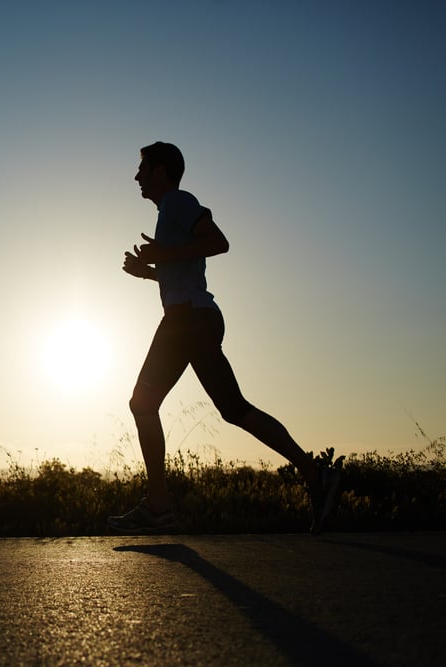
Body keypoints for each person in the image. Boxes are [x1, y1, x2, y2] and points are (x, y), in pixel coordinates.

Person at [107, 141, 341, 534]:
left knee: (142, 403)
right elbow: (185, 271)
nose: (137, 177)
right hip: (194, 318)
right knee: (233, 409)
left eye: (143, 169)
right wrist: (148, 271)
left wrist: (159, 256)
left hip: (188, 320)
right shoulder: (171, 212)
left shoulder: (178, 202)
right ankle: (315, 475)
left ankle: (159, 507)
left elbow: (219, 243)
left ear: (161, 171)